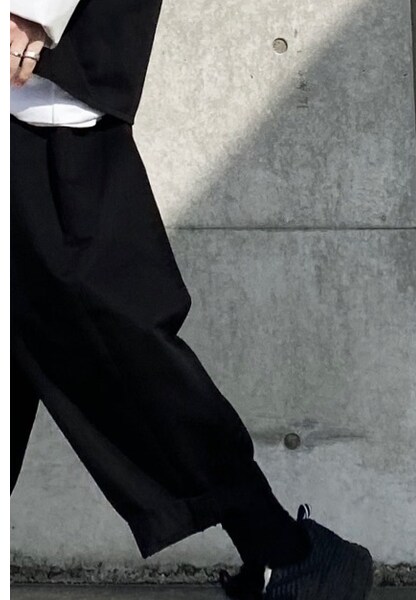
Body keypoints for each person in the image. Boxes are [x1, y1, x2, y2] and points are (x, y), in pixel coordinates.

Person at [10, 2, 373, 599]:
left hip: (33, 93)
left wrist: (31, 12)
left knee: (115, 334)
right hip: (29, 99)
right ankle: (284, 551)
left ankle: (287, 551)